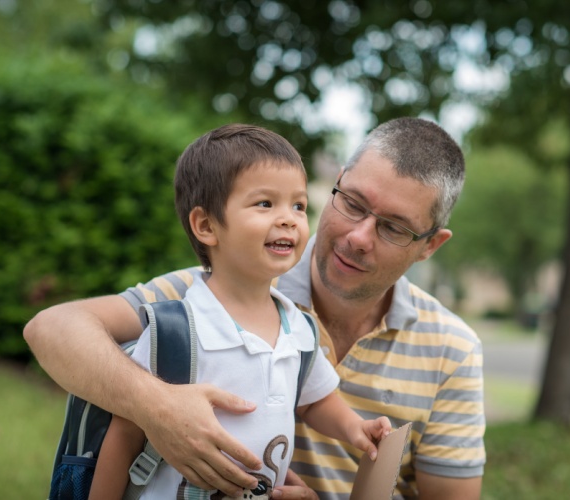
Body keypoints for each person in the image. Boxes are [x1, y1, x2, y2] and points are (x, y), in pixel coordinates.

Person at [25, 117, 486, 499]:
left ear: (430, 246)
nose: (358, 237)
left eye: (393, 228)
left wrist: (356, 432)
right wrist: (157, 407)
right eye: (351, 203)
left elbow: (324, 401)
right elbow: (51, 328)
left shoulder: (453, 351)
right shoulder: (199, 296)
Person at [86, 124, 391, 499]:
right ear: (206, 225)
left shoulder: (300, 329)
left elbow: (315, 400)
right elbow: (125, 433)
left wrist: (354, 429)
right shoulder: (176, 331)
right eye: (265, 203)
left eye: (298, 205)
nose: (289, 218)